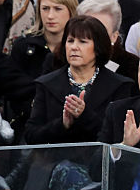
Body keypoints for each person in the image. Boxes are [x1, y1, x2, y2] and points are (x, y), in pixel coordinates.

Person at [26, 15, 134, 145]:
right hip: (52, 161)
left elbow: (117, 137)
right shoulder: (46, 84)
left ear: (98, 48)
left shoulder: (120, 86)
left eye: (82, 42)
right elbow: (31, 135)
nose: (74, 47)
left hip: (98, 162)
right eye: (70, 41)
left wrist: (84, 116)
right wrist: (62, 124)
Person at [6, 0, 79, 135]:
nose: (50, 15)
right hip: (27, 126)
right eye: (45, 8)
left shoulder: (78, 49)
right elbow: (13, 90)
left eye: (58, 9)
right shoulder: (23, 45)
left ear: (71, 11)